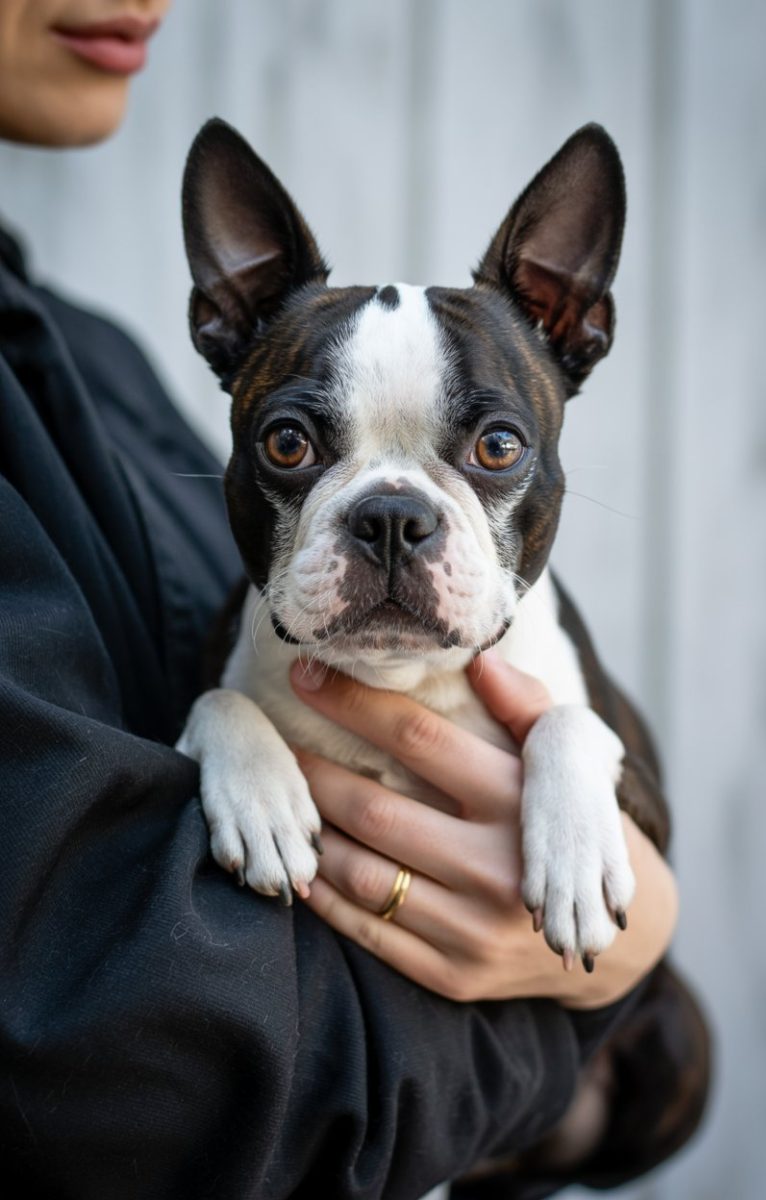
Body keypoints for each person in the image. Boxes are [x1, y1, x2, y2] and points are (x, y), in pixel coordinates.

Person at [0, 3, 685, 1197]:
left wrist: (581, 787)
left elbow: (630, 823)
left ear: (572, 322)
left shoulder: (90, 361)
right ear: (225, 316)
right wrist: (228, 723)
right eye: (293, 447)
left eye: (487, 452)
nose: (393, 526)